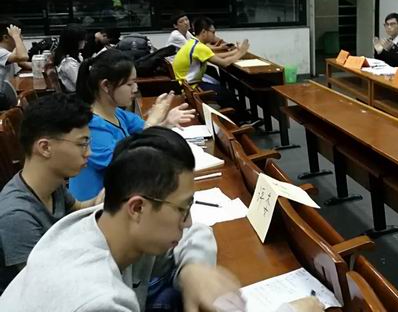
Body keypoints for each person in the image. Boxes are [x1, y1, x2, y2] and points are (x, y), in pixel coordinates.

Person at [0, 127, 246, 311]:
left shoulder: (104, 221)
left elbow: (196, 231)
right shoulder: (97, 301)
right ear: (137, 208)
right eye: (183, 209)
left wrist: (194, 268)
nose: (188, 221)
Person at [0, 93, 104, 292]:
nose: (88, 153)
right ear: (45, 147)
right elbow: (43, 287)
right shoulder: (17, 216)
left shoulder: (52, 184)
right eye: (82, 144)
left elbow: (78, 208)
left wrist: (111, 196)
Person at [69, 49, 195, 201]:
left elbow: (144, 134)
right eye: (130, 84)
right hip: (97, 205)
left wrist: (166, 123)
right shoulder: (90, 126)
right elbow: (128, 163)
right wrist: (153, 121)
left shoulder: (117, 113)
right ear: (106, 86)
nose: (135, 89)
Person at [172, 16, 249, 94]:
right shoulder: (199, 47)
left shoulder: (193, 42)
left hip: (186, 84)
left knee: (224, 90)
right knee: (227, 94)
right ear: (204, 32)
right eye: (213, 32)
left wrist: (236, 51)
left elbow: (214, 56)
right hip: (190, 87)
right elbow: (224, 63)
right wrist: (241, 52)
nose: (214, 36)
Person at [0, 18, 28, 110]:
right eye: (20, 35)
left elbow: (22, 63)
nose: (22, 38)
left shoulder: (7, 52)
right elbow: (23, 56)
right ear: (6, 38)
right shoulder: (1, 52)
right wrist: (16, 37)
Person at [53, 24, 86, 92]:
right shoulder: (69, 63)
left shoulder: (72, 55)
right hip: (77, 95)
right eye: (82, 39)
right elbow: (82, 86)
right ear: (74, 42)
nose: (85, 41)